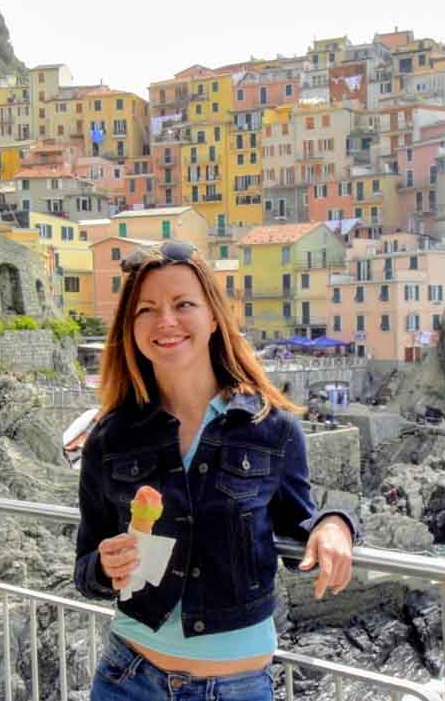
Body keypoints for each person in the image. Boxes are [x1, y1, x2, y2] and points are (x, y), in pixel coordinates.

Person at [74, 239, 357, 701]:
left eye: (183, 304)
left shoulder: (272, 428)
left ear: (212, 317)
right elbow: (86, 566)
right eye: (146, 309)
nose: (165, 321)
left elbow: (298, 526)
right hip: (130, 678)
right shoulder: (110, 438)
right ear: (131, 327)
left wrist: (335, 524)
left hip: (238, 687)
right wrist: (105, 568)